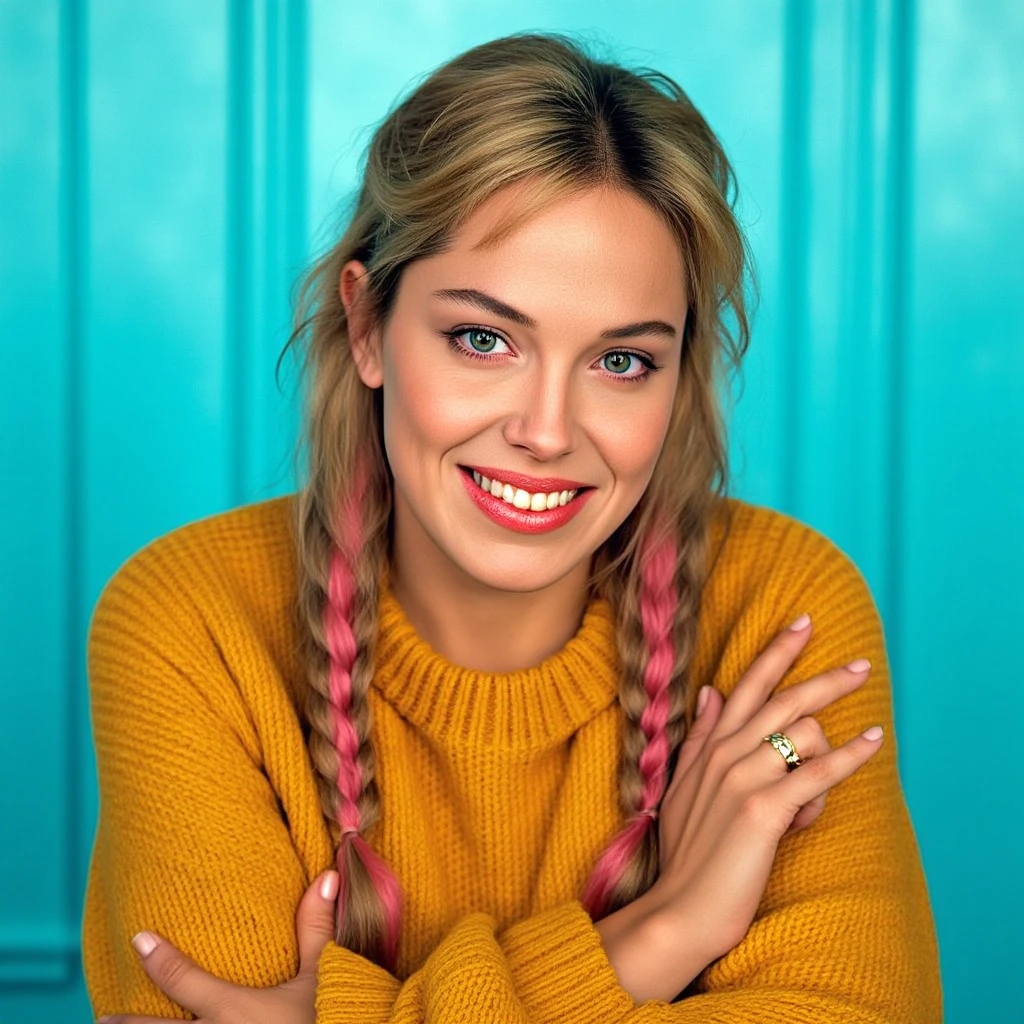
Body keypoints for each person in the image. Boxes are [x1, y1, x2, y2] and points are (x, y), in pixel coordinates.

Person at [82, 31, 942, 1024]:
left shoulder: (782, 607)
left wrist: (355, 1012)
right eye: (482, 339)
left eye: (622, 361)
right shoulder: (194, 622)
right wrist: (668, 931)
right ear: (366, 326)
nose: (545, 431)